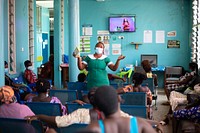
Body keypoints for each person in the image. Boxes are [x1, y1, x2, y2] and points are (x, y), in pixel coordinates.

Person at [25, 88, 132, 128]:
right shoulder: (117, 114)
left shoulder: (81, 113)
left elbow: (59, 122)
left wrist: (39, 116)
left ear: (90, 100)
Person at [86, 85, 160, 133]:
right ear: (119, 99)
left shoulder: (94, 128)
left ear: (97, 107)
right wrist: (157, 123)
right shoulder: (140, 125)